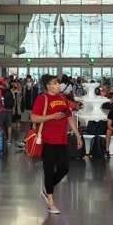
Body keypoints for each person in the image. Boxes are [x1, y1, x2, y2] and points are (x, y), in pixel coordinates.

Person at [31, 74, 81, 214]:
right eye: (54, 83)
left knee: (64, 168)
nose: (57, 85)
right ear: (47, 86)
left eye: (57, 83)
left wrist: (77, 135)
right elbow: (34, 117)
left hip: (61, 139)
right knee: (48, 170)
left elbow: (69, 117)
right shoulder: (43, 99)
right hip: (48, 140)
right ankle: (51, 203)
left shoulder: (63, 98)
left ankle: (47, 189)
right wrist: (51, 117)